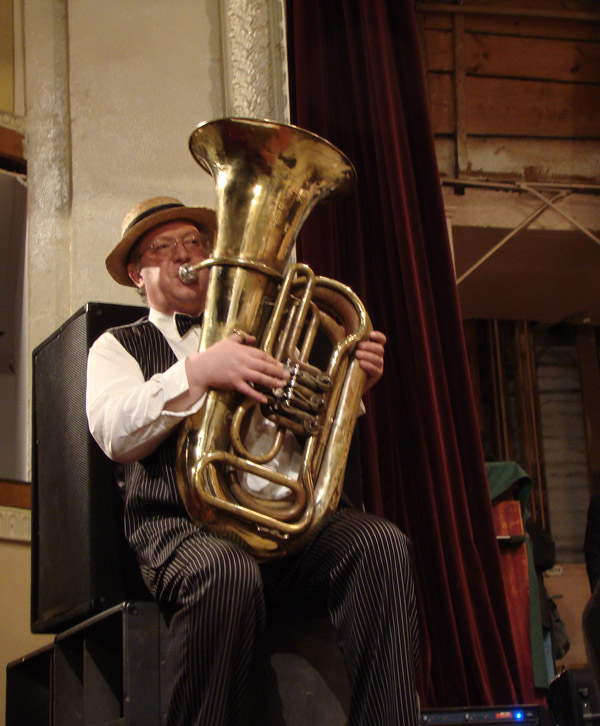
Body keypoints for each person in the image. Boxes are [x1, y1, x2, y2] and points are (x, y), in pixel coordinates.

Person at [86, 196, 420, 725]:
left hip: (282, 529)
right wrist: (198, 372)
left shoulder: (266, 332)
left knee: (382, 546)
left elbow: (304, 428)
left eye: (194, 242)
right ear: (136, 275)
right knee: (227, 574)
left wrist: (351, 384)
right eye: (164, 247)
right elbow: (114, 432)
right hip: (183, 530)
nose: (185, 254)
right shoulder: (117, 346)